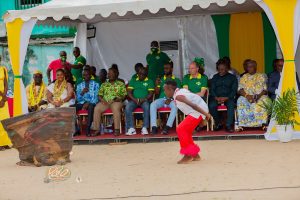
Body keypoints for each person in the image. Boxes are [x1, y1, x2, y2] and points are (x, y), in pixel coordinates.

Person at [164, 80, 211, 164]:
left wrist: (206, 115)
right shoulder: (179, 91)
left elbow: (193, 105)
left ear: (170, 89)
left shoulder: (179, 96)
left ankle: (188, 155)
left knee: (180, 129)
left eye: (165, 90)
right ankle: (195, 154)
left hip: (197, 112)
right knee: (187, 131)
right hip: (198, 111)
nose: (164, 92)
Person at [92, 67, 127, 136]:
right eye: (108, 74)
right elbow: (99, 95)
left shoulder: (121, 84)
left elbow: (124, 95)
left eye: (111, 73)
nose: (109, 75)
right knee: (97, 108)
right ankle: (97, 129)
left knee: (116, 108)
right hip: (105, 102)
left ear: (116, 74)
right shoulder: (104, 84)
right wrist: (102, 100)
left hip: (116, 101)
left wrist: (119, 99)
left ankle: (117, 129)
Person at [150, 61, 181, 135]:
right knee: (153, 104)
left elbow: (178, 92)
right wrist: (157, 85)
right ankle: (154, 127)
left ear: (172, 69)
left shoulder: (176, 80)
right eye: (164, 68)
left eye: (167, 68)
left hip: (172, 100)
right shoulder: (161, 79)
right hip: (162, 99)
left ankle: (167, 127)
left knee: (175, 106)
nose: (165, 70)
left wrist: (170, 99)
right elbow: (157, 93)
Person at [237, 60, 270, 129]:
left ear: (255, 67)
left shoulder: (261, 76)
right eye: (248, 67)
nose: (249, 68)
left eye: (251, 67)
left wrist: (258, 96)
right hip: (246, 96)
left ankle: (263, 123)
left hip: (259, 95)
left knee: (265, 101)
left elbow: (265, 90)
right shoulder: (244, 77)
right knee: (240, 101)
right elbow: (240, 89)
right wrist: (247, 96)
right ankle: (244, 124)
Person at [209, 59, 238, 132]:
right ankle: (218, 123)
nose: (220, 71)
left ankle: (228, 125)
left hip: (228, 97)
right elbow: (212, 89)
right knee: (211, 106)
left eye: (222, 69)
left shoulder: (232, 78)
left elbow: (234, 90)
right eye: (219, 69)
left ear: (227, 69)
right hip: (216, 97)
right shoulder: (215, 77)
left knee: (231, 105)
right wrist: (216, 97)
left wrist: (227, 97)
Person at [125, 67, 154, 135]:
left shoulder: (150, 81)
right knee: (128, 107)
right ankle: (131, 128)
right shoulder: (133, 80)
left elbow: (150, 93)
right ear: (137, 74)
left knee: (147, 106)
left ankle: (144, 128)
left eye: (143, 74)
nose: (141, 75)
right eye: (140, 74)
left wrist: (143, 99)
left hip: (144, 100)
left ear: (146, 75)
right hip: (134, 100)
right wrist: (135, 99)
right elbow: (129, 92)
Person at [76, 68, 100, 136]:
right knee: (72, 108)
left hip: (92, 103)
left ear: (90, 75)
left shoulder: (96, 84)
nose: (85, 76)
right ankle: (76, 129)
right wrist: (82, 92)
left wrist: (88, 103)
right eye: (83, 75)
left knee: (91, 107)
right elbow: (78, 99)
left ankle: (88, 129)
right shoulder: (79, 85)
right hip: (82, 103)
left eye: (87, 75)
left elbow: (96, 97)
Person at [0, 61, 12, 151]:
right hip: (2, 97)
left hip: (3, 98)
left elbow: (6, 84)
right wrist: (3, 97)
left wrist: (4, 97)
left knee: (5, 120)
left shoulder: (3, 69)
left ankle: (5, 142)